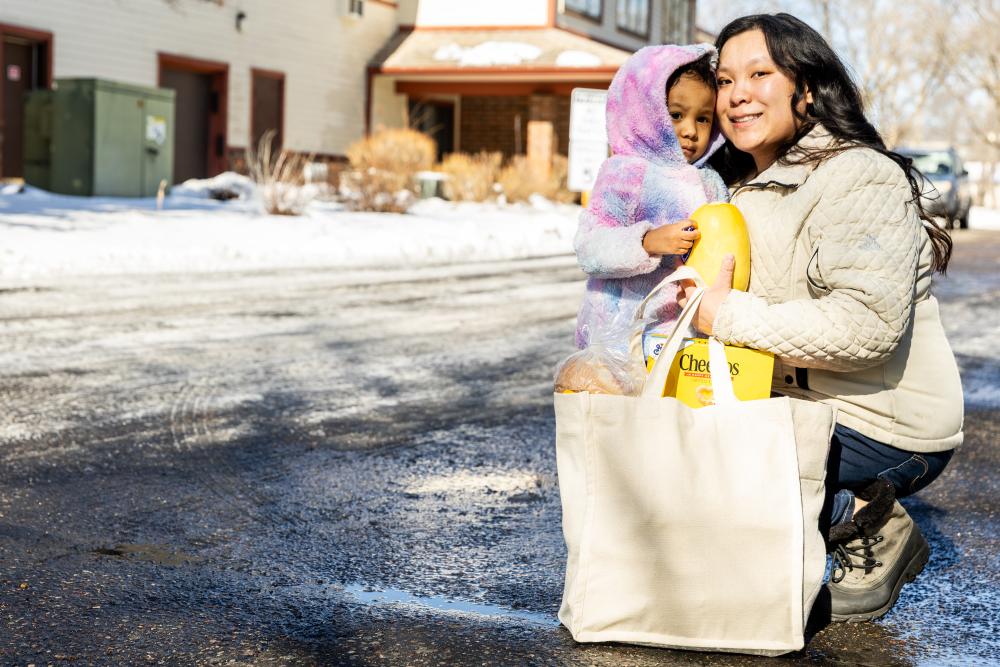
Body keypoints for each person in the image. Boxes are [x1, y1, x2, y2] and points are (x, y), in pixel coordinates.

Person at [679, 13, 963, 622]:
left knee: (723, 471)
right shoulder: (733, 185)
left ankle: (870, 519)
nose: (738, 95)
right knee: (669, 454)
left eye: (760, 74)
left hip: (881, 422)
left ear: (804, 89)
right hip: (786, 403)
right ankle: (803, 508)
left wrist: (724, 315)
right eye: (726, 80)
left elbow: (865, 329)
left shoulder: (858, 175)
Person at [573, 44, 729, 360]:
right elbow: (589, 248)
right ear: (645, 111)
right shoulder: (626, 173)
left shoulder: (710, 183)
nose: (690, 131)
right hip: (618, 336)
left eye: (703, 118)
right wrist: (647, 242)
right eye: (676, 115)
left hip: (684, 337)